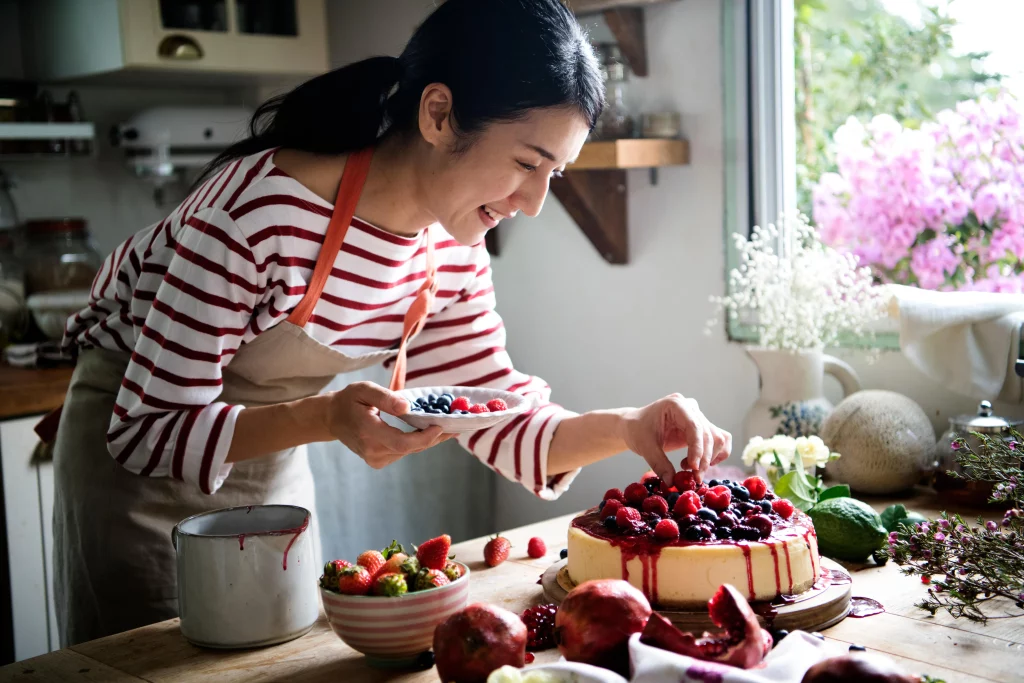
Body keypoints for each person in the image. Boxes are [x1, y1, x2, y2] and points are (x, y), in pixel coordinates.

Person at [47, 0, 731, 646]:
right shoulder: (260, 216)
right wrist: (324, 418)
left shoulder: (451, 248)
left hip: (270, 460)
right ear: (438, 114)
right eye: (528, 163)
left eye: (555, 174)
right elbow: (144, 431)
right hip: (138, 473)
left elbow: (498, 415)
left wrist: (627, 426)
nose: (533, 202)